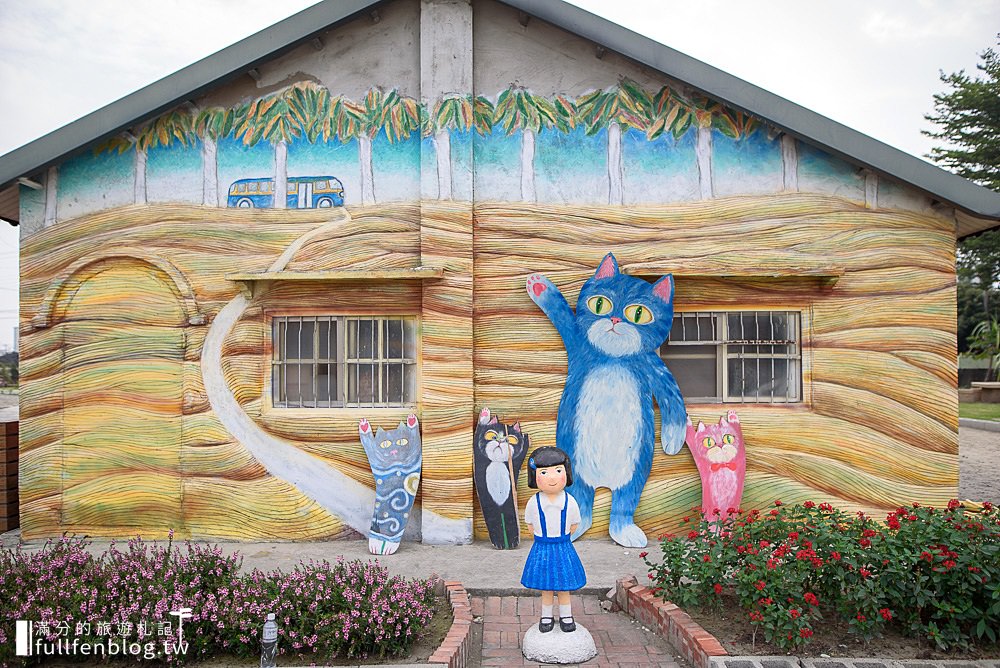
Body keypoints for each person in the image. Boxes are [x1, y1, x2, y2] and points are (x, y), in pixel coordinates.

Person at [520, 446, 587, 633]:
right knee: (546, 587)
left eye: (558, 471)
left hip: (562, 547)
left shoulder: (569, 501)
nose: (552, 478)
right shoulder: (534, 502)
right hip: (542, 547)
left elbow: (574, 525)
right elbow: (530, 525)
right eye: (544, 472)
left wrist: (563, 537)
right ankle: (546, 617)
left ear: (567, 473)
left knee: (564, 585)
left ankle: (567, 616)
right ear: (535, 477)